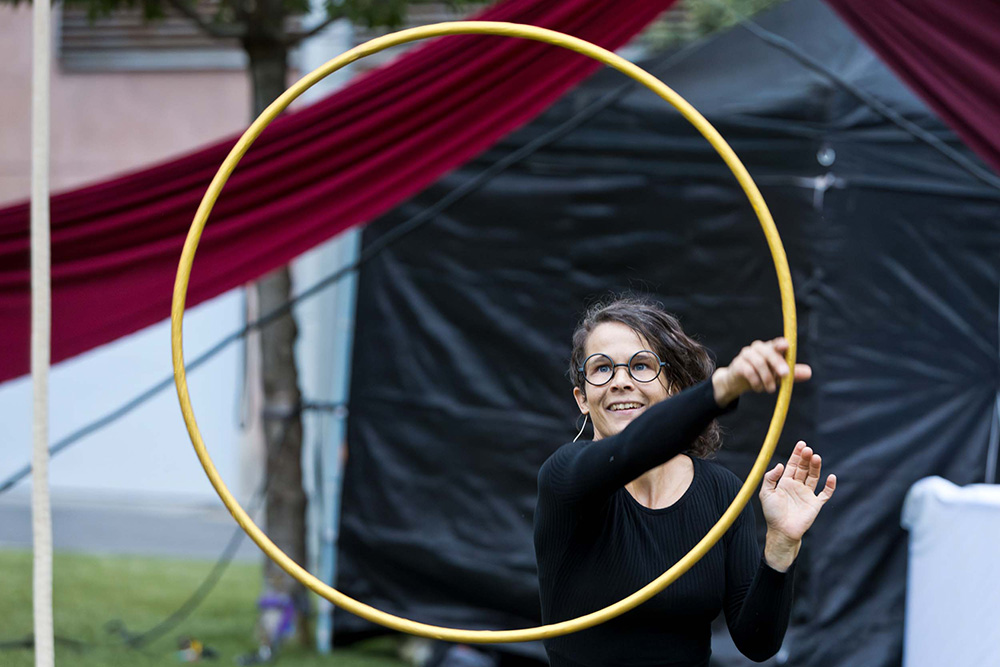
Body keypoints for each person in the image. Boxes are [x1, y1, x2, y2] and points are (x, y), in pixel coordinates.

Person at [534, 296, 836, 667]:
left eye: (641, 366)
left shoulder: (721, 491)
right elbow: (631, 450)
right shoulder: (564, 477)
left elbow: (757, 643)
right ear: (582, 398)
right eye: (601, 369)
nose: (620, 382)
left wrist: (782, 545)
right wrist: (723, 387)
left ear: (676, 387)